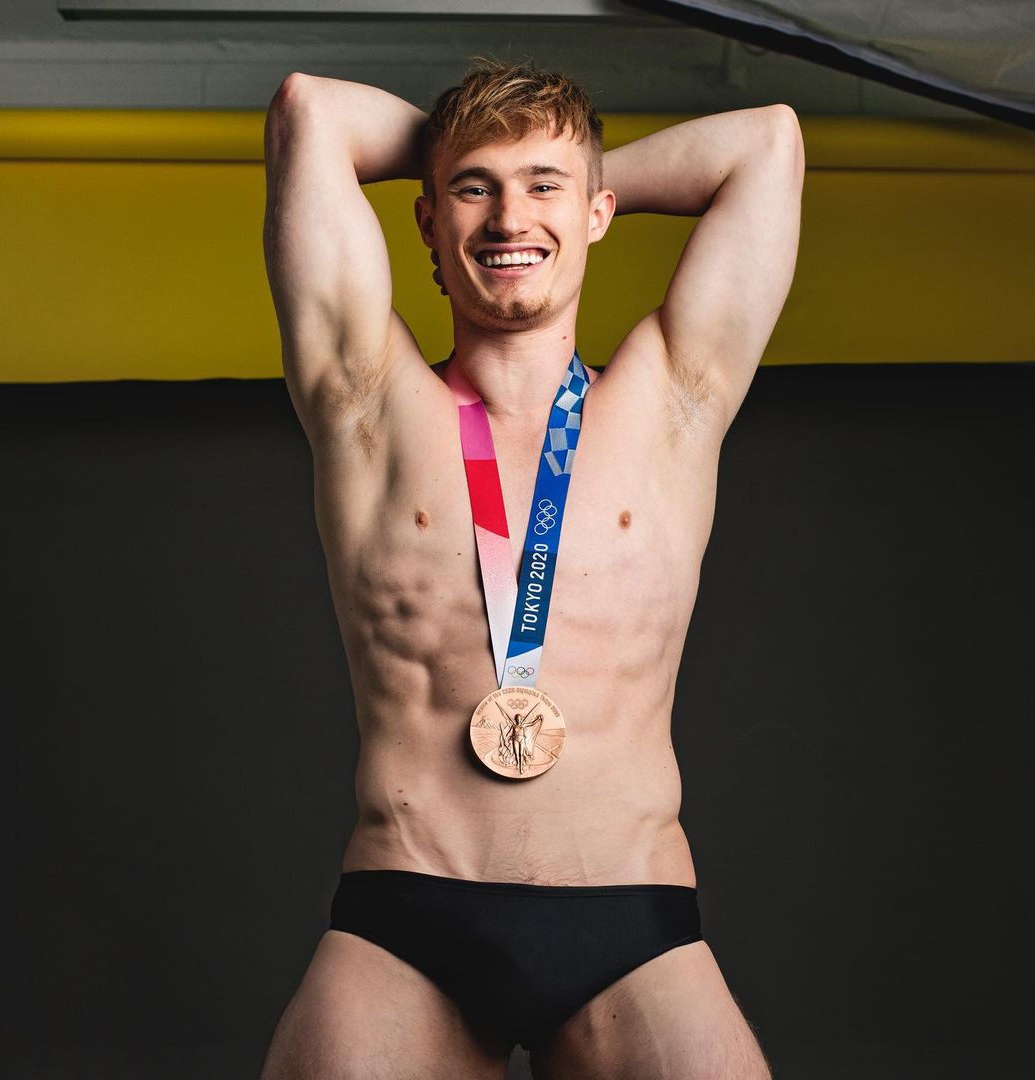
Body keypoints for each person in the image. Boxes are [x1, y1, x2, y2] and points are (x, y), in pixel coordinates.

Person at [258, 60, 803, 1080]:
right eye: (475, 189)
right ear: (424, 221)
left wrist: (565, 178)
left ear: (598, 210)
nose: (510, 216)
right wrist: (518, 174)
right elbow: (308, 112)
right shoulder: (367, 402)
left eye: (544, 186)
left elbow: (767, 143)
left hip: (632, 918)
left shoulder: (673, 399)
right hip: (408, 911)